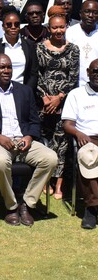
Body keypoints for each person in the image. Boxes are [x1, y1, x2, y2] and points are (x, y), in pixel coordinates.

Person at [0, 54, 58, 226]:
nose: (6, 71)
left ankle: (27, 203)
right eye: (2, 67)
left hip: (23, 141)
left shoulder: (24, 91)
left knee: (51, 158)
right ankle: (11, 206)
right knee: (0, 161)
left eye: (9, 67)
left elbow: (34, 121)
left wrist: (29, 136)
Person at [36, 14, 80, 199]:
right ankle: (45, 181)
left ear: (66, 27)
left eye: (61, 27)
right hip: (44, 104)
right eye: (54, 27)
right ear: (49, 28)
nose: (58, 31)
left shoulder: (73, 49)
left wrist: (59, 97)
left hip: (64, 103)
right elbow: (37, 74)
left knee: (62, 144)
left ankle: (59, 184)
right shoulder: (40, 47)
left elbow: (73, 78)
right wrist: (44, 97)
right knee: (44, 141)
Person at [62, 58, 98, 229]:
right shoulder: (76, 94)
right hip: (88, 138)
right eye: (95, 71)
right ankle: (92, 208)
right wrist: (78, 133)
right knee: (87, 158)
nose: (97, 74)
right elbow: (67, 124)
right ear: (88, 73)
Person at [0, 11, 38, 91]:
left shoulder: (29, 45)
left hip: (24, 91)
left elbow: (33, 73)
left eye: (16, 24)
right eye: (9, 25)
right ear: (3, 27)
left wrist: (27, 91)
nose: (13, 27)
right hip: (0, 91)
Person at [65, 0, 98, 87]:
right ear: (80, 13)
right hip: (75, 84)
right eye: (87, 12)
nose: (91, 16)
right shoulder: (70, 32)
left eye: (95, 12)